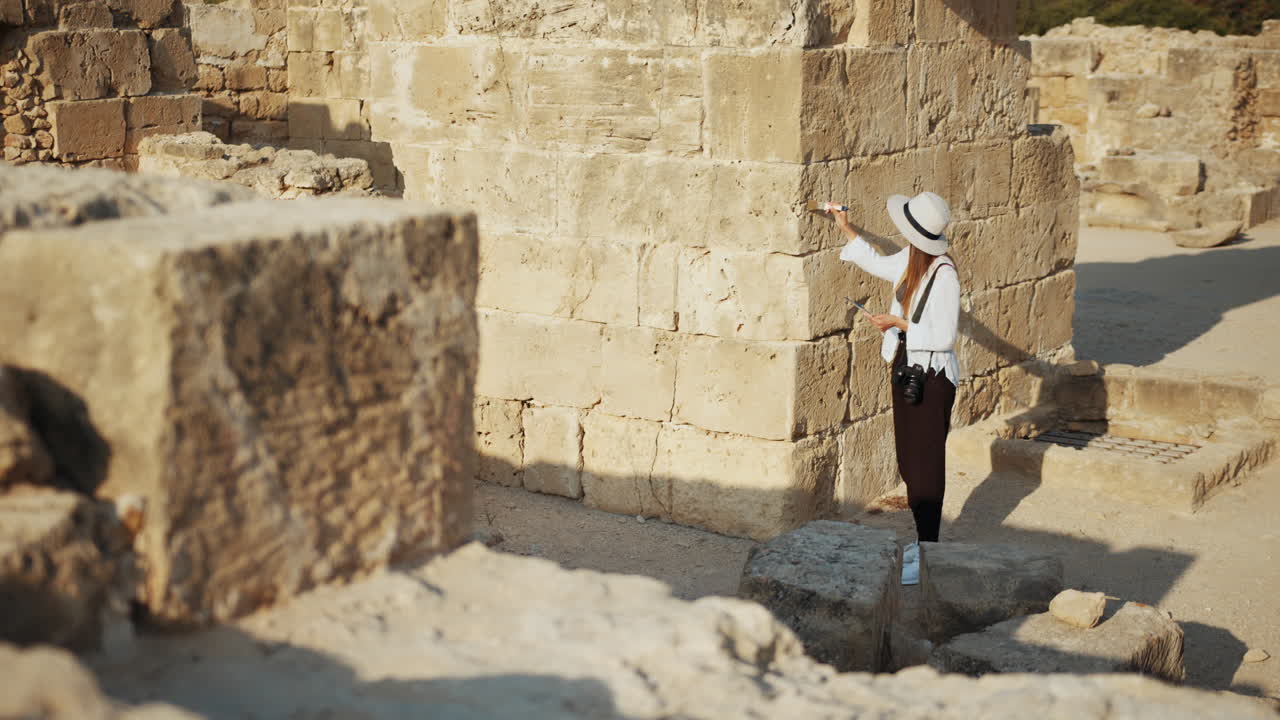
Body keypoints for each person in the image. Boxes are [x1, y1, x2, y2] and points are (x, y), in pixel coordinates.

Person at [828, 191, 962, 586]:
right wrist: (847, 228)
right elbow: (876, 263)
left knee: (925, 464)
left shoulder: (945, 274)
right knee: (908, 457)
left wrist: (900, 324)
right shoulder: (911, 260)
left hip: (932, 376)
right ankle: (923, 546)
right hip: (907, 367)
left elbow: (945, 334)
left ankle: (928, 550)